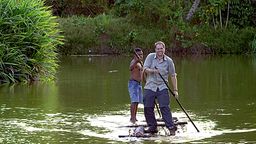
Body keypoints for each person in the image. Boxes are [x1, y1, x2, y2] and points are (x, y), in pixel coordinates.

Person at [143, 41, 179, 135]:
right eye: (158, 49)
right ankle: (152, 126)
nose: (160, 50)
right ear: (155, 50)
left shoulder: (169, 61)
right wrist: (153, 71)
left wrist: (175, 90)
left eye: (161, 48)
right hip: (150, 85)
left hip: (163, 86)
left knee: (164, 107)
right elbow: (145, 69)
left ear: (164, 49)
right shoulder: (150, 57)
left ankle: (170, 126)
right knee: (148, 106)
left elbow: (173, 75)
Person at [128, 48, 144, 124]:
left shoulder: (141, 63)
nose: (141, 56)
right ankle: (132, 118)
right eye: (139, 54)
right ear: (135, 55)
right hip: (133, 83)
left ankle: (135, 117)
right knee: (134, 101)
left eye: (142, 54)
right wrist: (136, 61)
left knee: (137, 102)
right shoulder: (134, 62)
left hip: (139, 84)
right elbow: (130, 68)